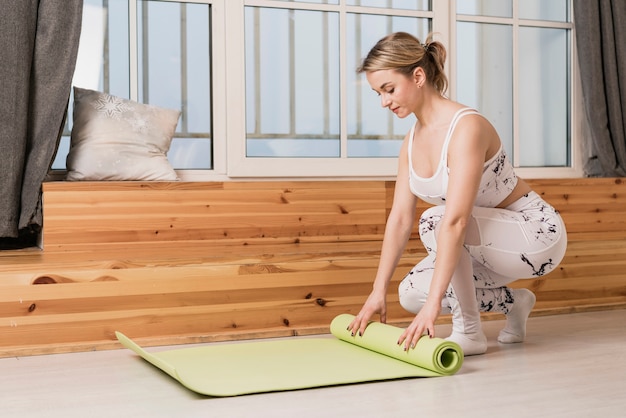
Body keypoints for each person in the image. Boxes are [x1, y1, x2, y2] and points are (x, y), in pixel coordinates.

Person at [347, 32, 567, 356]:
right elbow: (398, 219)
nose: (384, 101)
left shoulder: (466, 127)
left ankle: (470, 332)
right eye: (378, 93)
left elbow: (456, 222)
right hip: (488, 246)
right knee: (411, 293)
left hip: (535, 235)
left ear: (418, 76)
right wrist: (377, 291)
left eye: (389, 89)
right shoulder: (409, 144)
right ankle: (515, 302)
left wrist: (434, 307)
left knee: (436, 220)